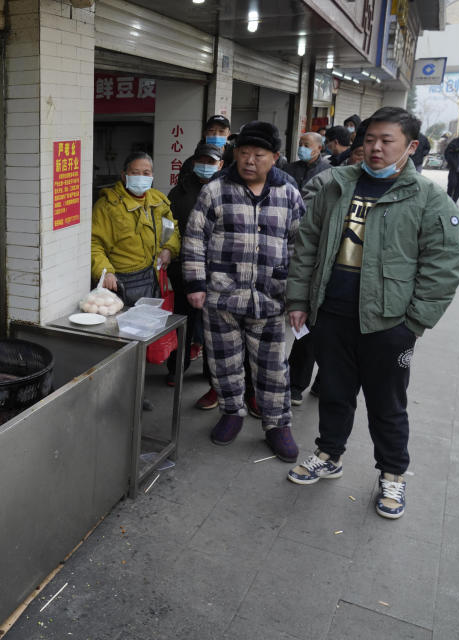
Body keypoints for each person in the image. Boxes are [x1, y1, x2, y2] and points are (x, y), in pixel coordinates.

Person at [285, 107, 459, 520]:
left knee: (387, 403)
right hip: (332, 314)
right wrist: (298, 300)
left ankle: (393, 475)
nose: (376, 148)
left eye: (388, 141)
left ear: (411, 147)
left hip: (389, 324)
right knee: (333, 390)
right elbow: (307, 244)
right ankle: (329, 454)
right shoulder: (336, 184)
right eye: (370, 140)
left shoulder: (428, 197)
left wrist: (413, 323)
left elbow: (445, 265)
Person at [182, 121, 304, 462]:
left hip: (269, 297)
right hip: (221, 296)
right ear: (235, 153)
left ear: (275, 157)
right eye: (244, 153)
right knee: (224, 361)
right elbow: (194, 240)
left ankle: (277, 424)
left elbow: (299, 246)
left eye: (259, 155)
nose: (250, 161)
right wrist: (195, 283)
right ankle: (231, 412)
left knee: (273, 367)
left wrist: (296, 294)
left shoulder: (288, 194)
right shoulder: (215, 190)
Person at [165, 142, 222, 384]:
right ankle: (177, 368)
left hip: (217, 269)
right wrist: (169, 249)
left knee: (215, 323)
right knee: (182, 320)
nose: (205, 166)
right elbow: (169, 227)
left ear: (220, 164)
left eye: (211, 162)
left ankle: (212, 374)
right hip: (183, 267)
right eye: (202, 161)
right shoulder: (178, 192)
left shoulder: (226, 190)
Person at [91, 151, 180, 305]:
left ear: (152, 176)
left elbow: (172, 228)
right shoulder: (107, 206)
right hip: (120, 282)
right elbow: (94, 244)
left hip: (152, 279)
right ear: (124, 175)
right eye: (135, 173)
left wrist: (168, 249)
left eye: (146, 173)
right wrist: (105, 272)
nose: (141, 177)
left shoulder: (158, 201)